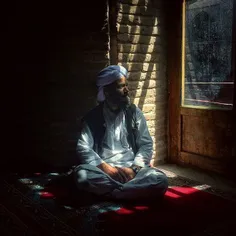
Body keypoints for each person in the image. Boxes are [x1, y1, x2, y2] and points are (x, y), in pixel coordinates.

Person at [73, 65, 168, 202]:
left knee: (161, 180)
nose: (126, 91)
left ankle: (114, 193)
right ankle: (130, 191)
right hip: (104, 169)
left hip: (132, 169)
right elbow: (83, 147)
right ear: (107, 92)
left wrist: (133, 169)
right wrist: (107, 169)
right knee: (82, 177)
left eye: (126, 86)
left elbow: (146, 144)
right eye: (121, 87)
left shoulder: (135, 113)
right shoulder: (93, 117)